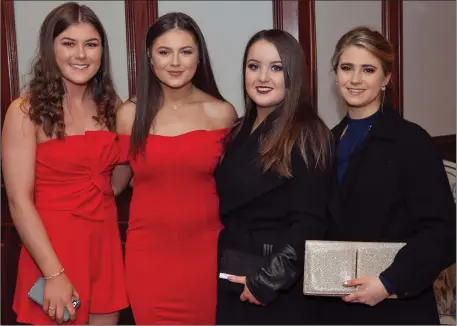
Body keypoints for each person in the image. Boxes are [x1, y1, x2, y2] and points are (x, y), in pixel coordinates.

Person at [1, 3, 128, 324]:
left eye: (91, 44)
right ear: (50, 49)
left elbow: (119, 175)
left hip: (104, 247)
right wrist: (54, 273)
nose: (81, 55)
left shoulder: (113, 106)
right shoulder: (24, 111)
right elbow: (18, 201)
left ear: (102, 51)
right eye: (68, 43)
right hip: (50, 252)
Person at [319, 26, 456, 325]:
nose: (355, 79)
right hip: (334, 307)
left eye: (368, 69)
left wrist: (388, 283)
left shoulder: (412, 142)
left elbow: (444, 232)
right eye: (346, 68)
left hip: (395, 308)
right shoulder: (324, 142)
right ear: (336, 74)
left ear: (387, 78)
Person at [115, 12, 237, 324]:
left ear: (199, 57)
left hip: (205, 255)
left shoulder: (222, 113)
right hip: (148, 257)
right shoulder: (130, 113)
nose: (175, 62)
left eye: (186, 51)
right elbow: (116, 184)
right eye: (164, 51)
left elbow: (237, 188)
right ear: (149, 57)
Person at [214, 29, 333, 324]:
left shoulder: (309, 133)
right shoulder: (240, 129)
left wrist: (268, 281)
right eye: (254, 66)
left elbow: (310, 223)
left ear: (293, 75)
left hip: (277, 289)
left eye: (276, 68)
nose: (262, 77)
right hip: (236, 275)